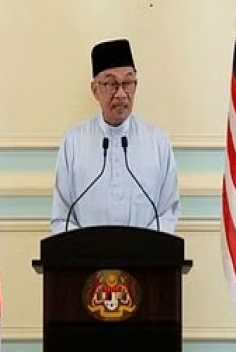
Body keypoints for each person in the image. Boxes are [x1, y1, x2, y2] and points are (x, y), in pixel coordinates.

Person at [51, 38, 180, 233]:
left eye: (127, 83)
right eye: (111, 84)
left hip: (145, 259)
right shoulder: (74, 141)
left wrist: (142, 248)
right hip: (88, 261)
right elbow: (62, 217)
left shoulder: (157, 141)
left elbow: (168, 211)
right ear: (95, 90)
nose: (121, 94)